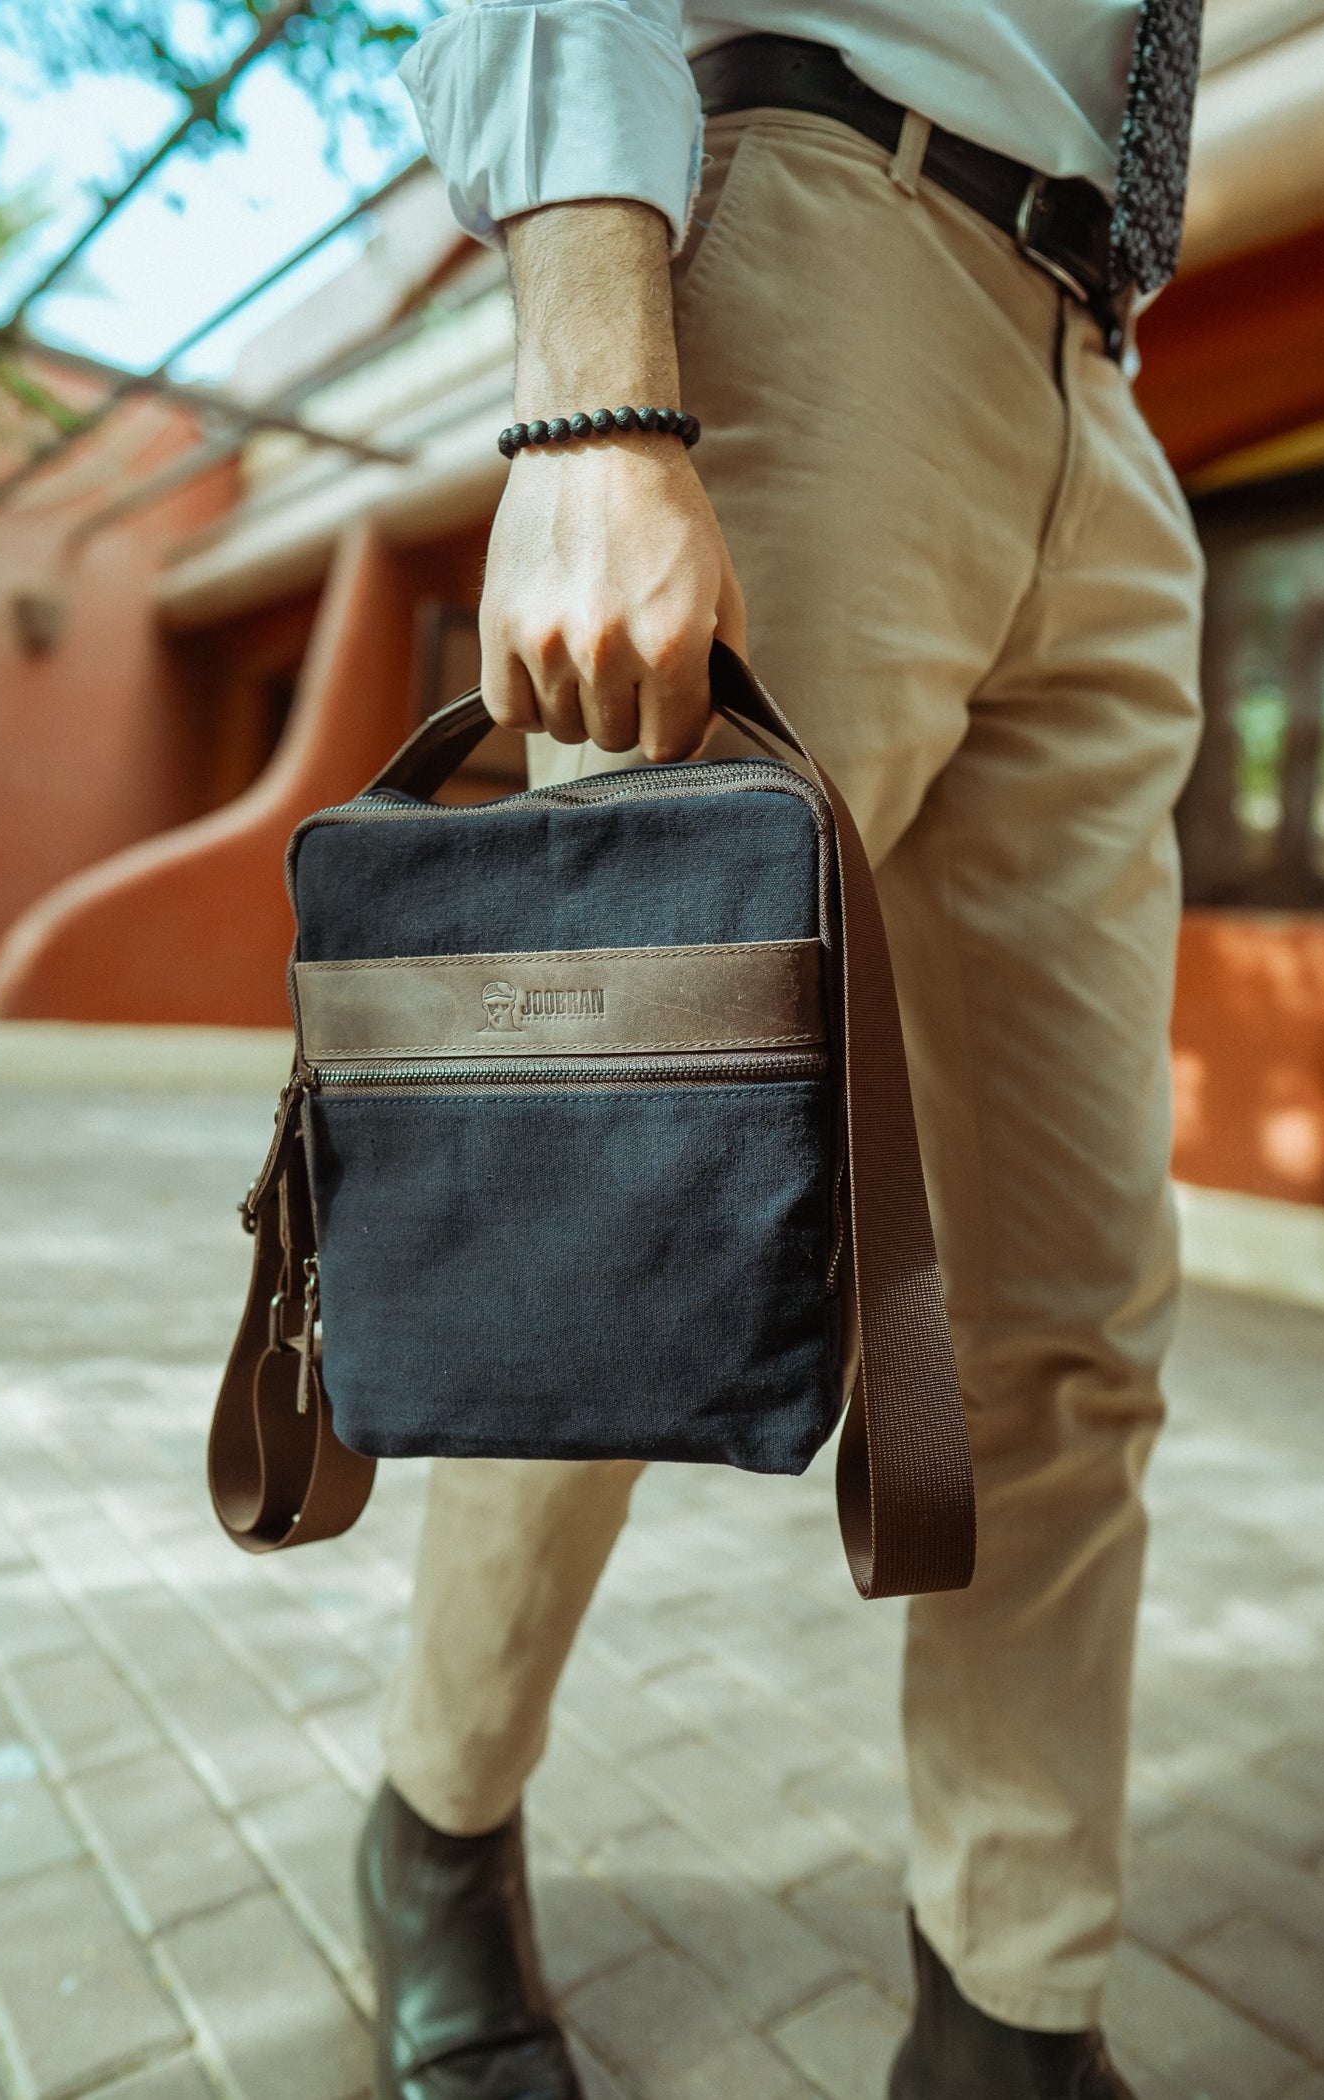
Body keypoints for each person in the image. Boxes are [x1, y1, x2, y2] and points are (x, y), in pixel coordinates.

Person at [353, 5, 1207, 2095]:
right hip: (810, 253)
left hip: (1097, 389)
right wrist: (590, 400)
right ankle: (435, 1829)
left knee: (1072, 1323)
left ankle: (1010, 1999)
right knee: (614, 1246)